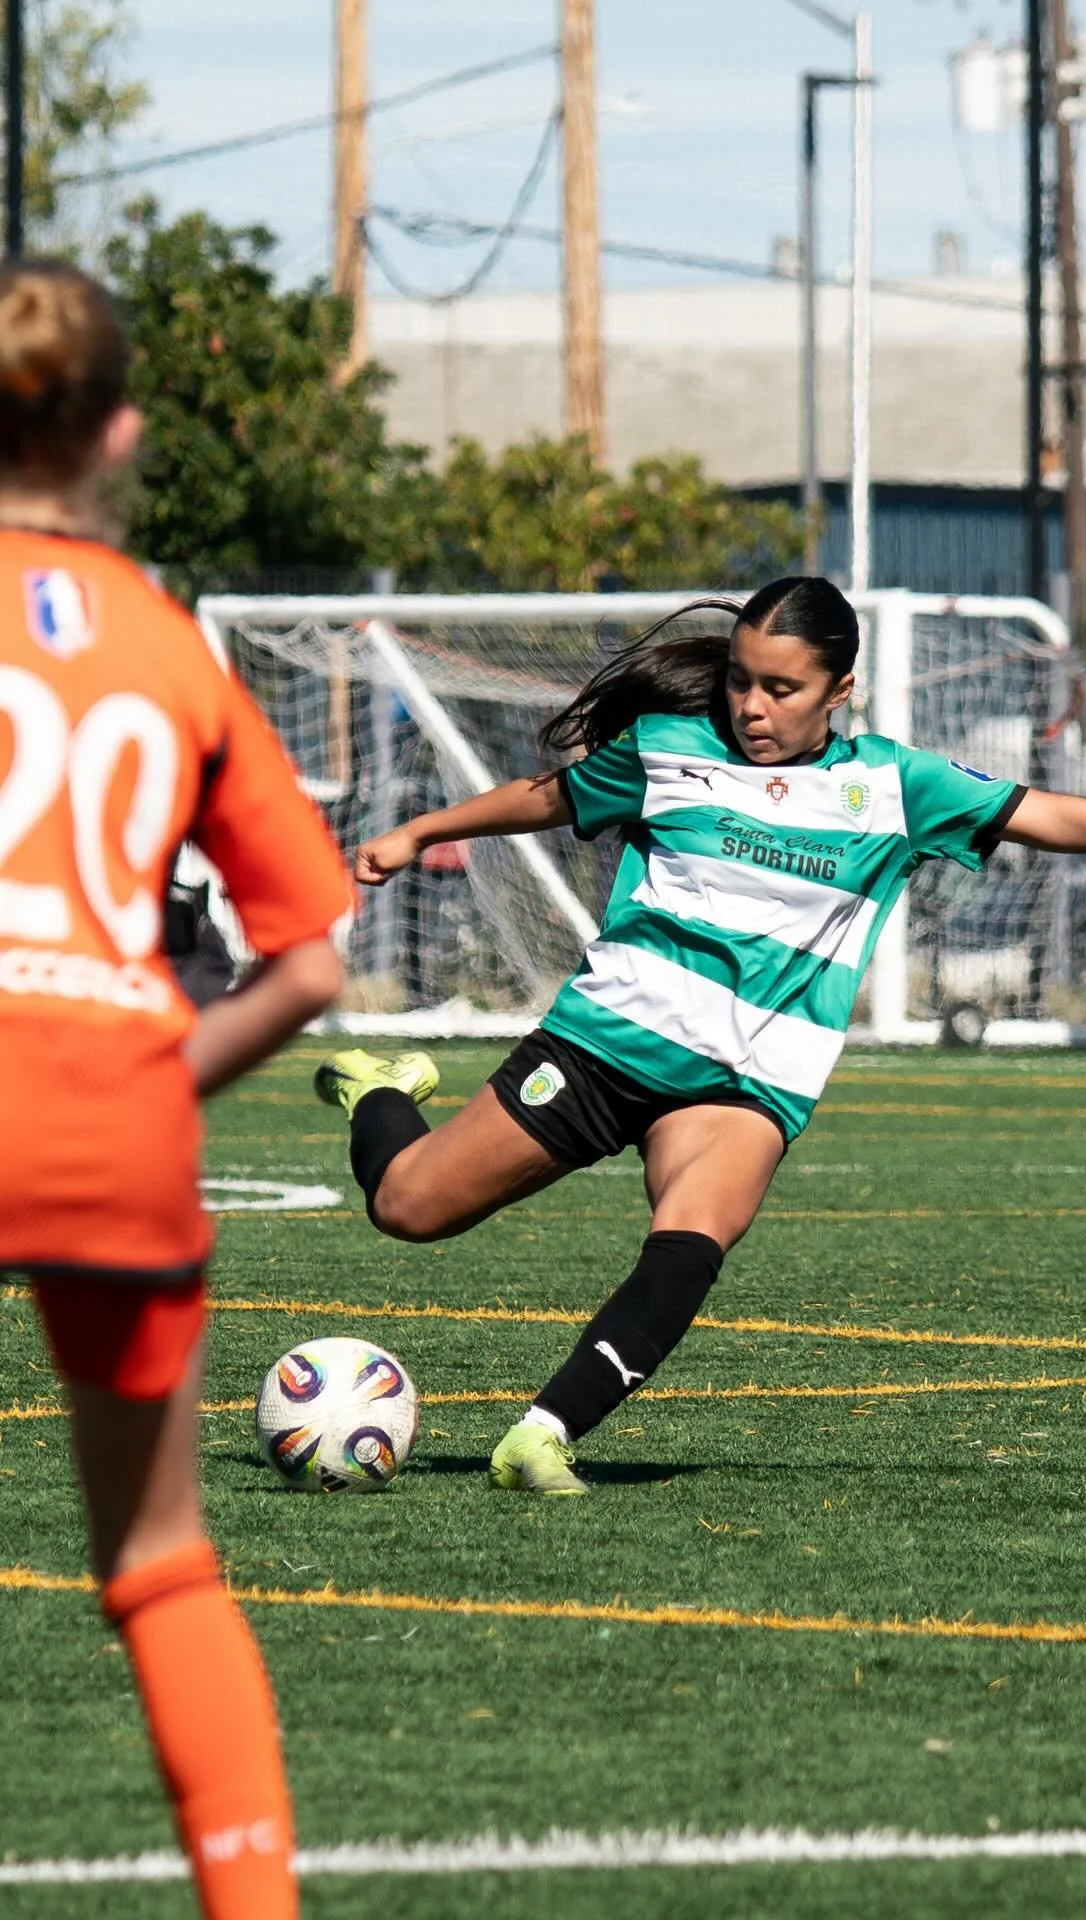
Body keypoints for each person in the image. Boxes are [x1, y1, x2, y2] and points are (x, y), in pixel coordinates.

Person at [315, 577, 1086, 1496]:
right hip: (606, 1045)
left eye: (783, 689)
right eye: (742, 679)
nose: (753, 706)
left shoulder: (894, 787)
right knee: (408, 1207)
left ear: (841, 690)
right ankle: (377, 1090)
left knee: (691, 1240)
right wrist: (418, 833)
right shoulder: (666, 750)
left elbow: (1050, 816)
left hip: (746, 1083)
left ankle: (543, 1434)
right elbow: (549, 798)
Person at [0, 261, 352, 1917]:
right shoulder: (172, 650)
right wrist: (153, 1075)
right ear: (123, 432)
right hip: (115, 1127)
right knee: (159, 1564)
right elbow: (312, 961)